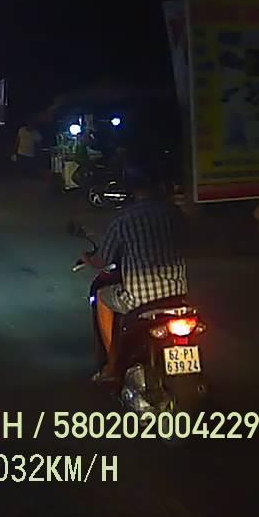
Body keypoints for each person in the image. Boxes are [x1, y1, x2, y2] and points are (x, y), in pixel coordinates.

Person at [83, 163, 188, 383]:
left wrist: (88, 259)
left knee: (102, 297)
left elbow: (103, 260)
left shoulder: (123, 221)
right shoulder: (172, 213)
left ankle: (112, 364)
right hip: (178, 295)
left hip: (140, 300)